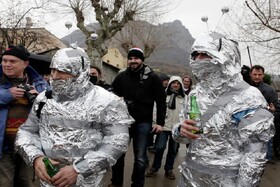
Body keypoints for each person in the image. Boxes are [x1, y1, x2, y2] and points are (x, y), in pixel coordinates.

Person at [14, 46, 134, 187]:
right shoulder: (43, 99)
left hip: (88, 181)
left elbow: (117, 141)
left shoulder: (107, 101)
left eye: (63, 71)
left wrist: (80, 169)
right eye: (53, 70)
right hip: (49, 181)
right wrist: (35, 158)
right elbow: (27, 131)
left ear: (80, 73)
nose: (56, 76)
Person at [172, 32, 275, 187]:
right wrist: (179, 130)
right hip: (190, 177)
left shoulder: (249, 97)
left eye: (205, 54)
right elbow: (184, 137)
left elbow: (255, 155)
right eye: (195, 54)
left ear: (226, 57)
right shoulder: (194, 94)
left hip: (226, 182)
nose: (198, 59)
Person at [110, 47, 166, 187]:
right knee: (118, 155)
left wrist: (160, 123)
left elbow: (160, 101)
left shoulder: (152, 77)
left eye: (136, 58)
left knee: (140, 158)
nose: (133, 61)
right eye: (130, 58)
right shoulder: (122, 76)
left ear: (142, 60)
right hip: (123, 122)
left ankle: (137, 184)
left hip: (143, 122)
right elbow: (111, 96)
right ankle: (116, 183)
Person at [0, 45, 50, 187]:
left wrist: (40, 98)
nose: (7, 64)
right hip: (3, 146)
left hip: (30, 145)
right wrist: (7, 95)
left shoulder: (40, 84)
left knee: (27, 182)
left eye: (12, 61)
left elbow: (54, 109)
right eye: (4, 60)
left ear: (25, 63)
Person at [146, 76, 185, 180]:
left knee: (173, 150)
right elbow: (156, 110)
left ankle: (169, 169)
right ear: (170, 84)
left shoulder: (183, 98)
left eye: (178, 83)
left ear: (180, 85)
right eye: (173, 83)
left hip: (177, 128)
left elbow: (186, 114)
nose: (175, 85)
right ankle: (155, 167)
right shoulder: (163, 96)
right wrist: (155, 122)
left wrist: (183, 126)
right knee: (160, 147)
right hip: (163, 126)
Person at [250, 65, 279, 163]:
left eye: (259, 74)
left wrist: (273, 110)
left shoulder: (270, 90)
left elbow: (276, 107)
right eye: (255, 74)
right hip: (247, 122)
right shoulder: (245, 89)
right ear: (250, 74)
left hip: (265, 123)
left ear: (263, 75)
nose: (257, 77)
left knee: (266, 145)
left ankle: (268, 158)